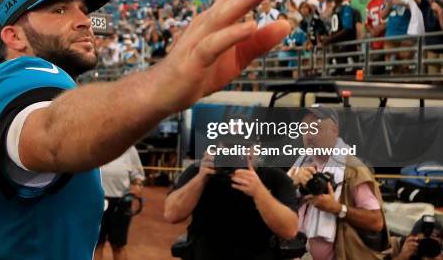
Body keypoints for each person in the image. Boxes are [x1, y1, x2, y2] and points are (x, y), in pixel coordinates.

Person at [0, 0, 290, 260]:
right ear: (14, 37)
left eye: (83, 9)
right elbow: (50, 133)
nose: (84, 21)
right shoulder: (21, 77)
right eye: (59, 9)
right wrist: (159, 84)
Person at [164, 144, 298, 259]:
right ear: (218, 146)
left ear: (256, 148)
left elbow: (289, 231)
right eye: (229, 146)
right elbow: (171, 214)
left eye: (243, 146)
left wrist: (259, 192)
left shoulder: (274, 177)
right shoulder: (200, 171)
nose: (236, 151)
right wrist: (200, 178)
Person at [288, 106, 387, 260]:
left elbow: (376, 222)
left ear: (334, 130)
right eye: (304, 129)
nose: (308, 135)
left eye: (316, 128)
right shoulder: (300, 164)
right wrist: (292, 185)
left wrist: (337, 209)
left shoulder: (353, 170)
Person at [94, 146, 145, 260]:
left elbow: (138, 177)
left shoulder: (129, 148)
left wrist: (137, 185)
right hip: (96, 201)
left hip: (121, 202)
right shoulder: (94, 143)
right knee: (96, 244)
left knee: (119, 245)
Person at [322, 0, 362, 75]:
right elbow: (335, 27)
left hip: (347, 46)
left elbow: (347, 28)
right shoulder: (335, 9)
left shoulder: (346, 8)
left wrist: (330, 39)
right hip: (337, 46)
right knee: (339, 71)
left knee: (349, 73)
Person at [380, 0, 412, 74]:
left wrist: (404, 4)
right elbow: (383, 16)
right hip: (391, 34)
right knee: (390, 68)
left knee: (405, 65)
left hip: (406, 34)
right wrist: (389, 6)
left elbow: (419, 11)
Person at [366, 0, 388, 75]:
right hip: (376, 44)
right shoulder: (370, 3)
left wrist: (382, 27)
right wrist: (372, 31)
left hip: (389, 41)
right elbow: (367, 22)